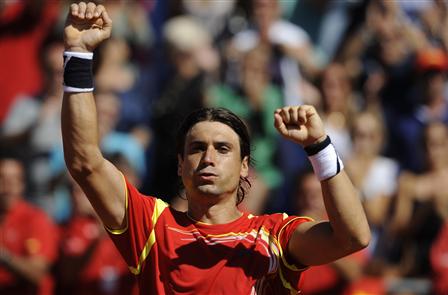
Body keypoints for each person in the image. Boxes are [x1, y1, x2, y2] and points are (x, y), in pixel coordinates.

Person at [61, 2, 370, 294]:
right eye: (197, 148)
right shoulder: (151, 225)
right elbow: (85, 161)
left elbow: (353, 237)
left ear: (244, 165)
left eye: (223, 149)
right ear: (181, 165)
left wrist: (320, 146)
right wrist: (78, 54)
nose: (208, 158)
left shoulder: (274, 235)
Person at [0, 157, 59, 295]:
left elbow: (37, 273)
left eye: (14, 179)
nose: (8, 186)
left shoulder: (36, 219)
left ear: (22, 184)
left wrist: (4, 257)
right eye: (2, 178)